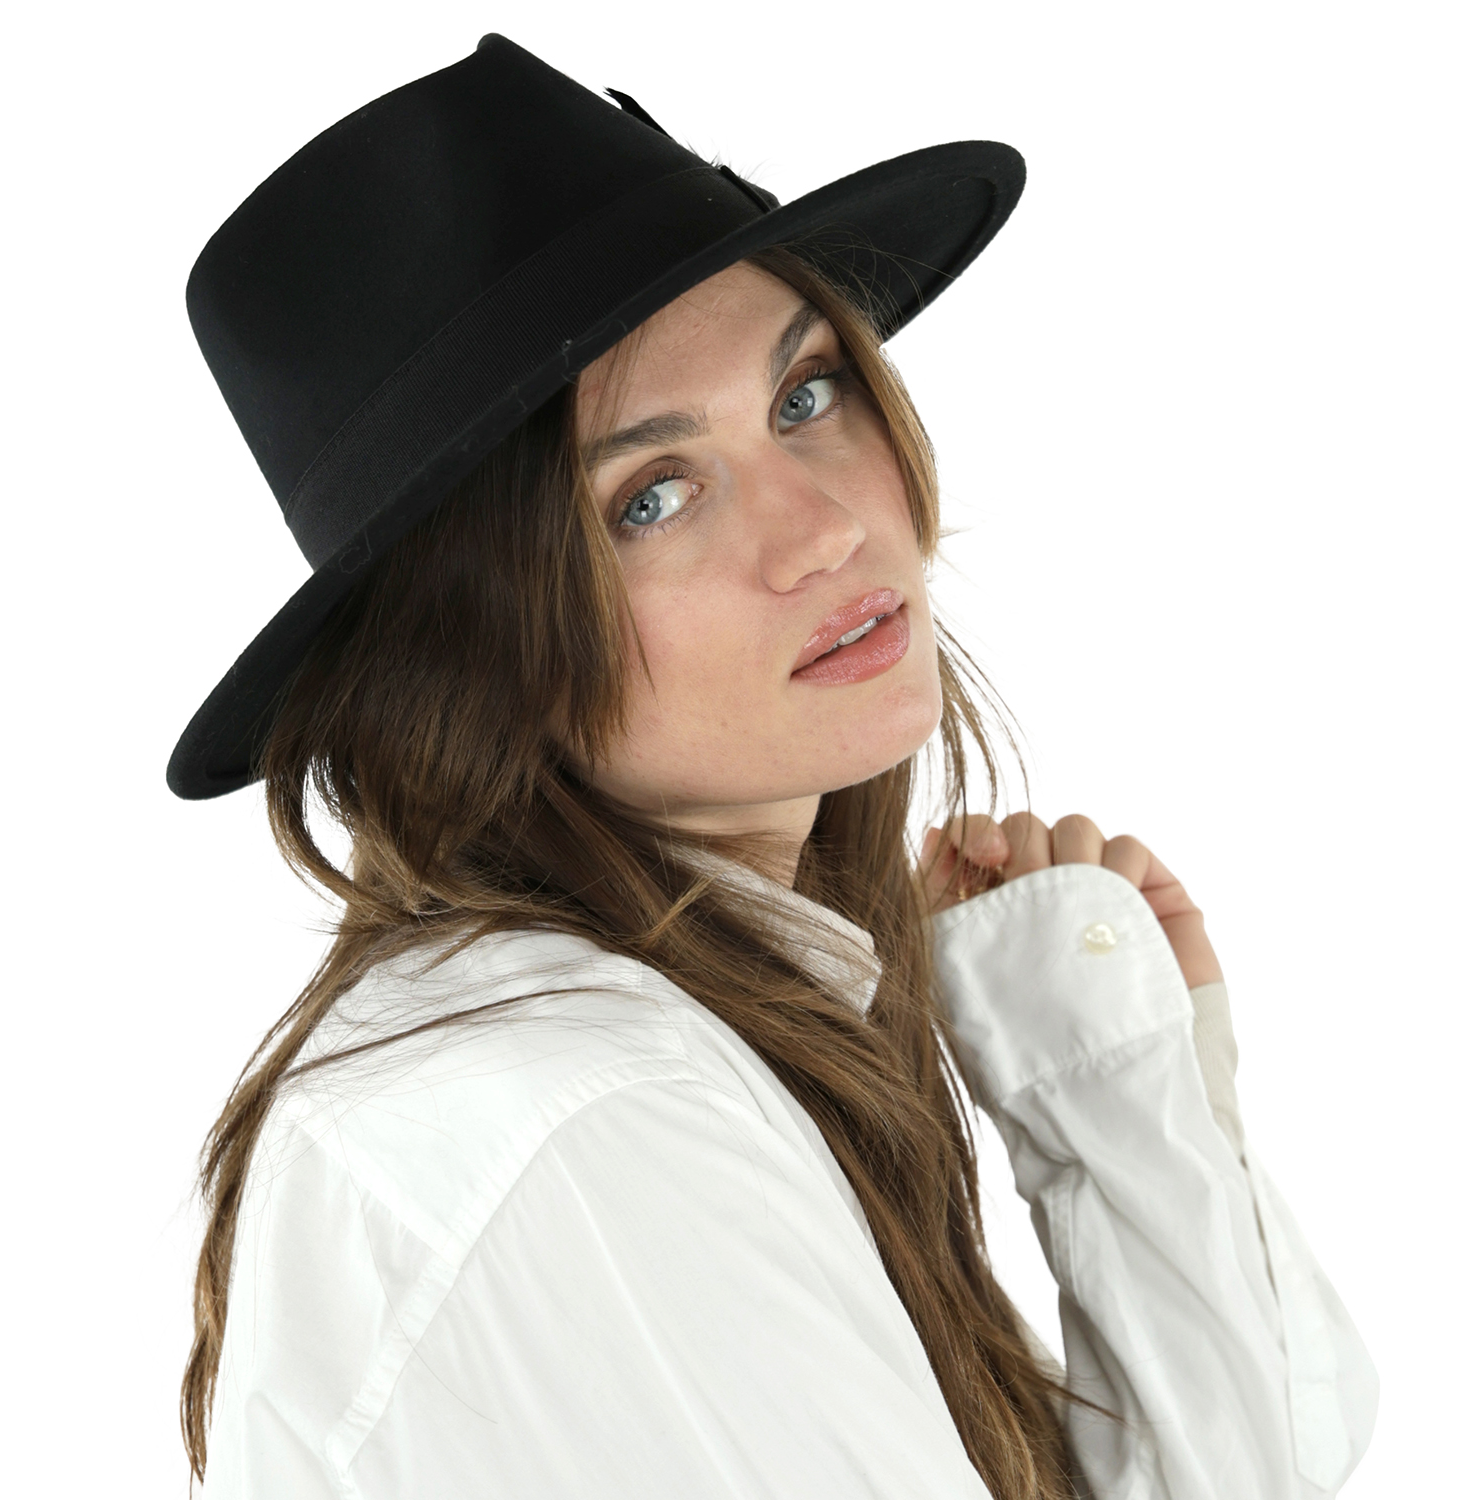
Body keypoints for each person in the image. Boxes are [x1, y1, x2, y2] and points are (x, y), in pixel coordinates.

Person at [170, 34, 1377, 1500]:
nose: (824, 528)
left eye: (804, 394)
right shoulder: (588, 1119)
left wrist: (1114, 1092)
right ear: (464, 653)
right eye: (651, 497)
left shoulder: (683, 1043)